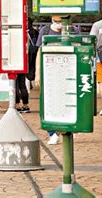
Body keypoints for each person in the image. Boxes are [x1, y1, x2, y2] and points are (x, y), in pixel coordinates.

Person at [35, 15, 80, 145]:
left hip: (69, 71)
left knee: (69, 101)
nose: (58, 24)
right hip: (50, 73)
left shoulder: (74, 30)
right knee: (49, 103)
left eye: (61, 21)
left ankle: (70, 129)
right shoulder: (45, 30)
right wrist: (38, 73)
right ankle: (52, 133)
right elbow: (39, 52)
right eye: (56, 21)